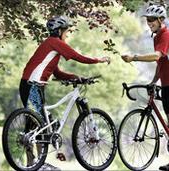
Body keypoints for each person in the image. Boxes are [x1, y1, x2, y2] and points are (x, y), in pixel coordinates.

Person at [19, 16, 109, 168]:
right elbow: (76, 56)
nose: (67, 35)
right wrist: (98, 60)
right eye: (67, 31)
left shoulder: (50, 47)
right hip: (32, 85)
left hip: (30, 85)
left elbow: (57, 73)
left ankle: (33, 163)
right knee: (40, 125)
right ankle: (37, 164)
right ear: (60, 31)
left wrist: (76, 77)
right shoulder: (55, 43)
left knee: (35, 126)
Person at [121, 4, 169, 171]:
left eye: (152, 20)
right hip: (167, 84)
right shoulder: (157, 37)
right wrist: (153, 81)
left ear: (160, 20)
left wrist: (134, 57)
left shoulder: (166, 35)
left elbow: (156, 56)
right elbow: (161, 62)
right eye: (147, 19)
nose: (149, 22)